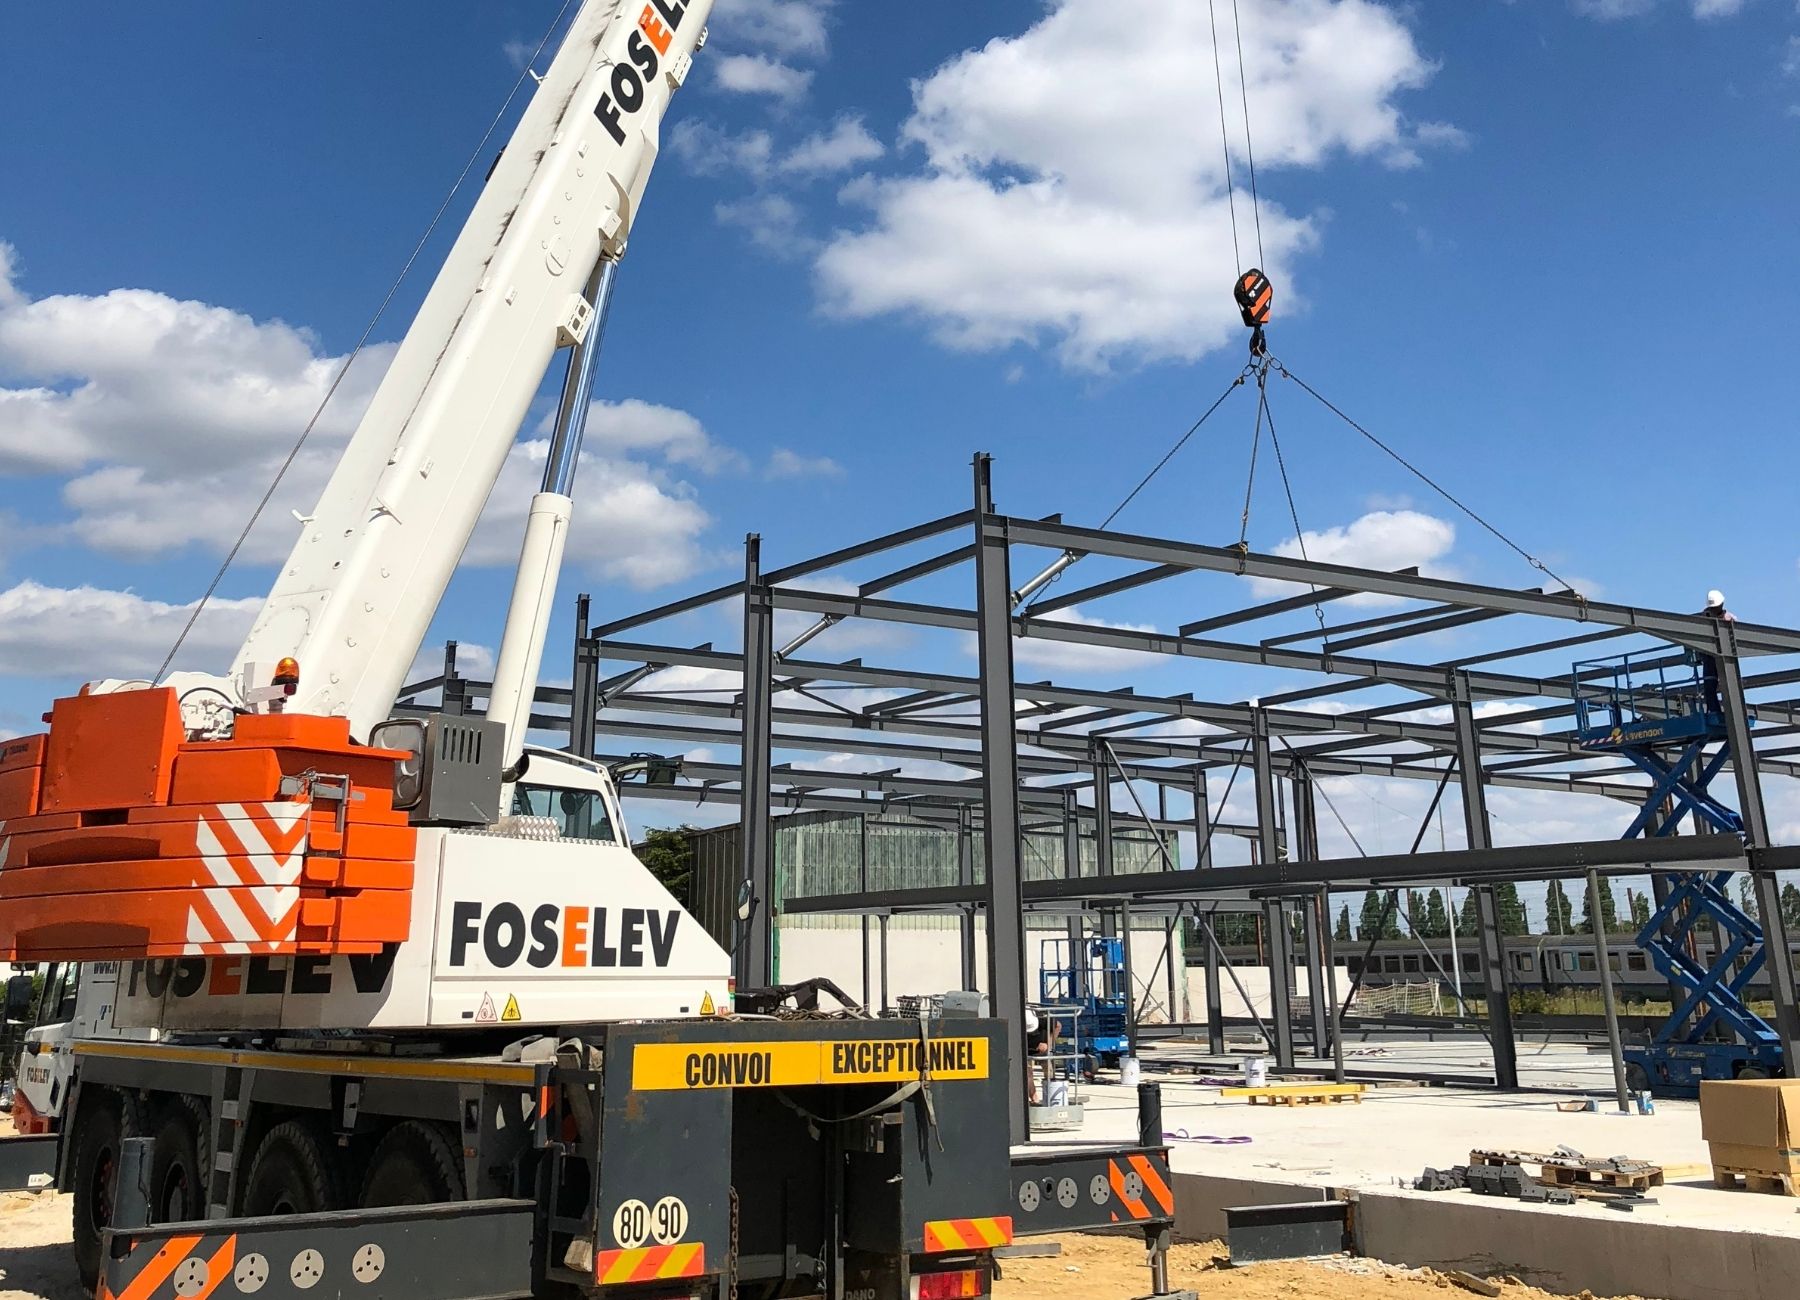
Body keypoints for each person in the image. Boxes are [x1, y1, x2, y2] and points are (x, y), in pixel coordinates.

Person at [1699, 589, 1736, 715]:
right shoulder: (1703, 617)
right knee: (1709, 686)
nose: (1713, 610)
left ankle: (1733, 712)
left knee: (1729, 686)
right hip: (1709, 657)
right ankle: (1714, 711)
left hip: (1725, 658)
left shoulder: (1729, 619)